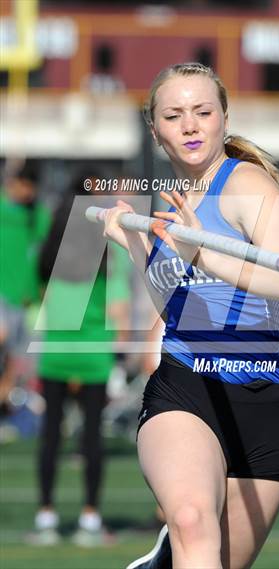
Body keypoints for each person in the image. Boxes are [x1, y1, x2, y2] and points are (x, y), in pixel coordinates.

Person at [103, 62, 279, 569]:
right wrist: (134, 245)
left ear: (223, 118)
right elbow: (179, 310)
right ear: (156, 130)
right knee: (195, 525)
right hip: (187, 386)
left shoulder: (247, 186)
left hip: (267, 398)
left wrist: (206, 255)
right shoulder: (173, 200)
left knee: (210, 559)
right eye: (174, 116)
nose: (190, 125)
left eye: (202, 111)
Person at [32, 173, 131, 546]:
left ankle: (46, 517)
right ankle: (90, 518)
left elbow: (37, 289)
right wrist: (122, 351)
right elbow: (118, 303)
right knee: (91, 437)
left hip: (56, 348)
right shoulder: (106, 243)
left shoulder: (52, 240)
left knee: (50, 436)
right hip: (93, 350)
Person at [0, 160, 51, 406]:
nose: (27, 192)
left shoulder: (37, 215)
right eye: (24, 185)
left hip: (26, 297)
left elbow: (44, 253)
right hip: (2, 292)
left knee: (16, 355)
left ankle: (5, 399)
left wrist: (41, 287)